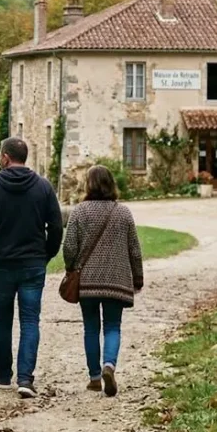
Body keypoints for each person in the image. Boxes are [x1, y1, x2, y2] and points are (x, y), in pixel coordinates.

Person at [0, 137, 63, 398]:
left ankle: (3, 375)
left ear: (5, 157)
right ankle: (25, 378)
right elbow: (56, 227)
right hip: (33, 262)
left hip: (1, 263)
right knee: (30, 320)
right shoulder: (43, 188)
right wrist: (46, 254)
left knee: (2, 320)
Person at [63, 165, 144, 397]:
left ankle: (95, 377)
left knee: (90, 327)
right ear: (111, 184)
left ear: (88, 184)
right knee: (112, 326)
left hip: (87, 280)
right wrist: (137, 277)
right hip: (116, 281)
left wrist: (71, 269)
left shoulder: (79, 211)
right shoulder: (124, 212)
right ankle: (110, 364)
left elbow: (69, 247)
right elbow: (135, 250)